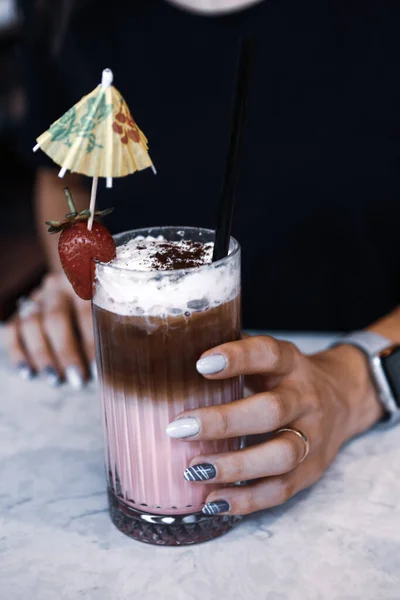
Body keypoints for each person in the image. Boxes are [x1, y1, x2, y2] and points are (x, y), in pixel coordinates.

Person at [4, 0, 400, 515]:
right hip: (129, 382)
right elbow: (66, 180)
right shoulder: (60, 12)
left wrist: (355, 381)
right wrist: (76, 288)